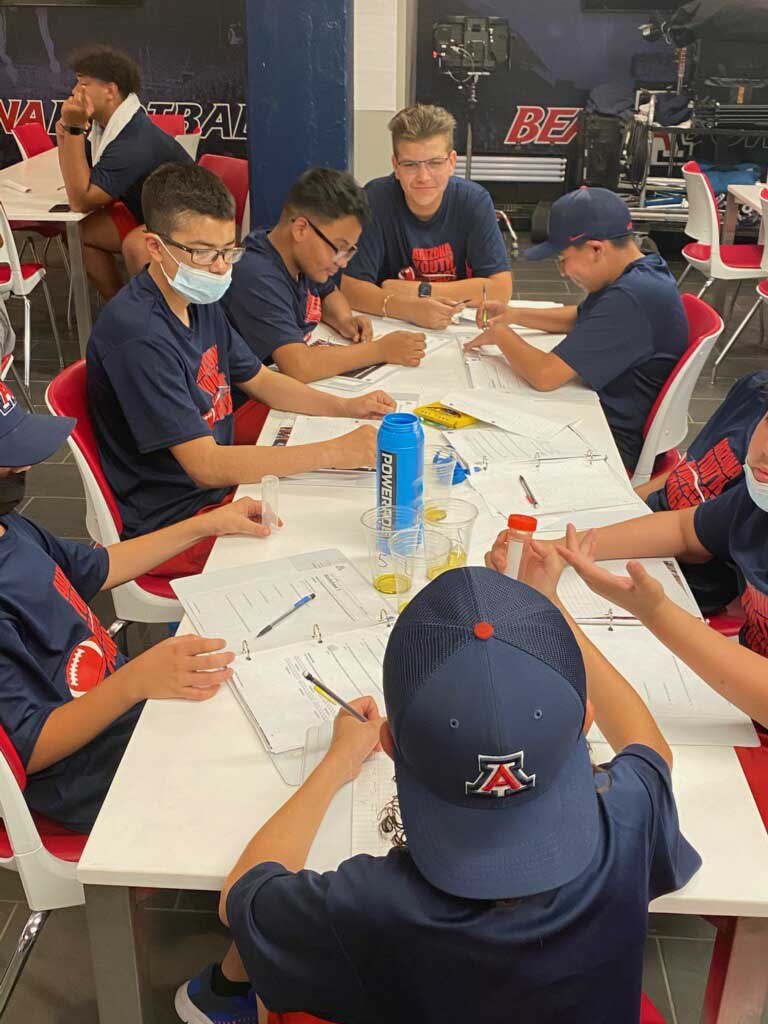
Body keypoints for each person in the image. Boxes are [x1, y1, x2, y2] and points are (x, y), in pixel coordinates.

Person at [175, 562, 699, 1024]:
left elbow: (239, 897)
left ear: (388, 745)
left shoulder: (373, 905)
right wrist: (554, 617)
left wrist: (336, 763)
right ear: (585, 722)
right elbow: (652, 753)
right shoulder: (631, 811)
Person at [87, 161, 394, 579]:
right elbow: (206, 465)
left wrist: (347, 407)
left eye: (228, 250)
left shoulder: (199, 299)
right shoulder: (139, 336)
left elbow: (263, 380)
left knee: (339, 510)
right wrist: (335, 452)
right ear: (156, 248)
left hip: (218, 492)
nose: (219, 267)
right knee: (332, 548)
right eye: (202, 252)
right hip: (177, 521)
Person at [0, 381, 276, 833]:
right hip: (86, 771)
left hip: (123, 707)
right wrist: (132, 683)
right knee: (257, 772)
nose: (26, 465)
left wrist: (205, 524)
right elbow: (28, 747)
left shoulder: (10, 528)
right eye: (7, 463)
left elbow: (96, 566)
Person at [486, 401, 768, 726]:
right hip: (734, 697)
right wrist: (557, 549)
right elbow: (683, 530)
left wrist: (655, 611)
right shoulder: (754, 499)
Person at [465, 187, 688, 473]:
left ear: (596, 248)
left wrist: (500, 333)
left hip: (610, 443)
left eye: (563, 259)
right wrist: (514, 315)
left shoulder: (632, 297)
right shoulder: (642, 270)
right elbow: (580, 317)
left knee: (487, 441)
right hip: (600, 414)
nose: (563, 272)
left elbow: (545, 375)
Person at [224, 167, 428, 383]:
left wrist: (344, 319)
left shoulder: (302, 257)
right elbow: (300, 366)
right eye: (339, 248)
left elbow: (328, 291)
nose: (341, 262)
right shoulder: (256, 276)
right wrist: (381, 350)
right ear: (301, 229)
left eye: (349, 250)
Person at [341, 104, 513, 331]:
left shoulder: (474, 201)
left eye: (434, 163)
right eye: (411, 164)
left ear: (452, 162)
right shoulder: (375, 199)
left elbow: (500, 289)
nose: (423, 177)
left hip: (455, 324)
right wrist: (409, 308)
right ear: (396, 166)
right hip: (393, 325)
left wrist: (419, 291)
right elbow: (351, 287)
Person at [56, 45, 192, 299]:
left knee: (136, 244)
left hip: (186, 222)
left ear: (110, 90)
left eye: (83, 85)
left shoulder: (133, 140)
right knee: (78, 234)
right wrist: (66, 134)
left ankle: (156, 322)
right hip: (149, 213)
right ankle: (120, 306)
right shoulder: (106, 128)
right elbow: (78, 179)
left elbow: (80, 199)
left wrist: (74, 130)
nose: (74, 92)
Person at [635, 370, 768, 613]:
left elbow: (693, 543)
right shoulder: (754, 389)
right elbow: (689, 470)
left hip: (682, 574)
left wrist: (656, 613)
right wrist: (627, 501)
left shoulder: (760, 489)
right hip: (656, 530)